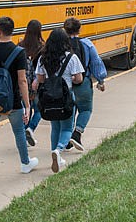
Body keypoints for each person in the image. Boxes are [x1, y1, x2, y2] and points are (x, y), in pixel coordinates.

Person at [0, 16, 38, 184]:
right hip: (12, 100)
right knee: (19, 131)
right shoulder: (19, 52)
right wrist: (27, 105)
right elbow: (22, 81)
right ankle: (25, 163)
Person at [35, 28, 84, 173]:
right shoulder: (71, 58)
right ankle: (59, 149)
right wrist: (70, 78)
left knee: (55, 127)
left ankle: (55, 154)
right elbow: (79, 78)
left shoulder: (43, 58)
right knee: (67, 128)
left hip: (50, 98)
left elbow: (40, 78)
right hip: (66, 96)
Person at [63, 17, 107, 150]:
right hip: (82, 83)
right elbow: (96, 62)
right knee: (85, 109)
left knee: (69, 111)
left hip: (65, 84)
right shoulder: (87, 44)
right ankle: (77, 133)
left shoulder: (60, 45)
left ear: (65, 29)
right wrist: (100, 80)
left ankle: (66, 139)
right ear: (79, 29)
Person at [17, 19, 44, 147]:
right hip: (36, 83)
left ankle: (24, 134)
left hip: (23, 83)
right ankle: (31, 129)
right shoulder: (42, 47)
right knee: (38, 111)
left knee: (26, 110)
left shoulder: (20, 46)